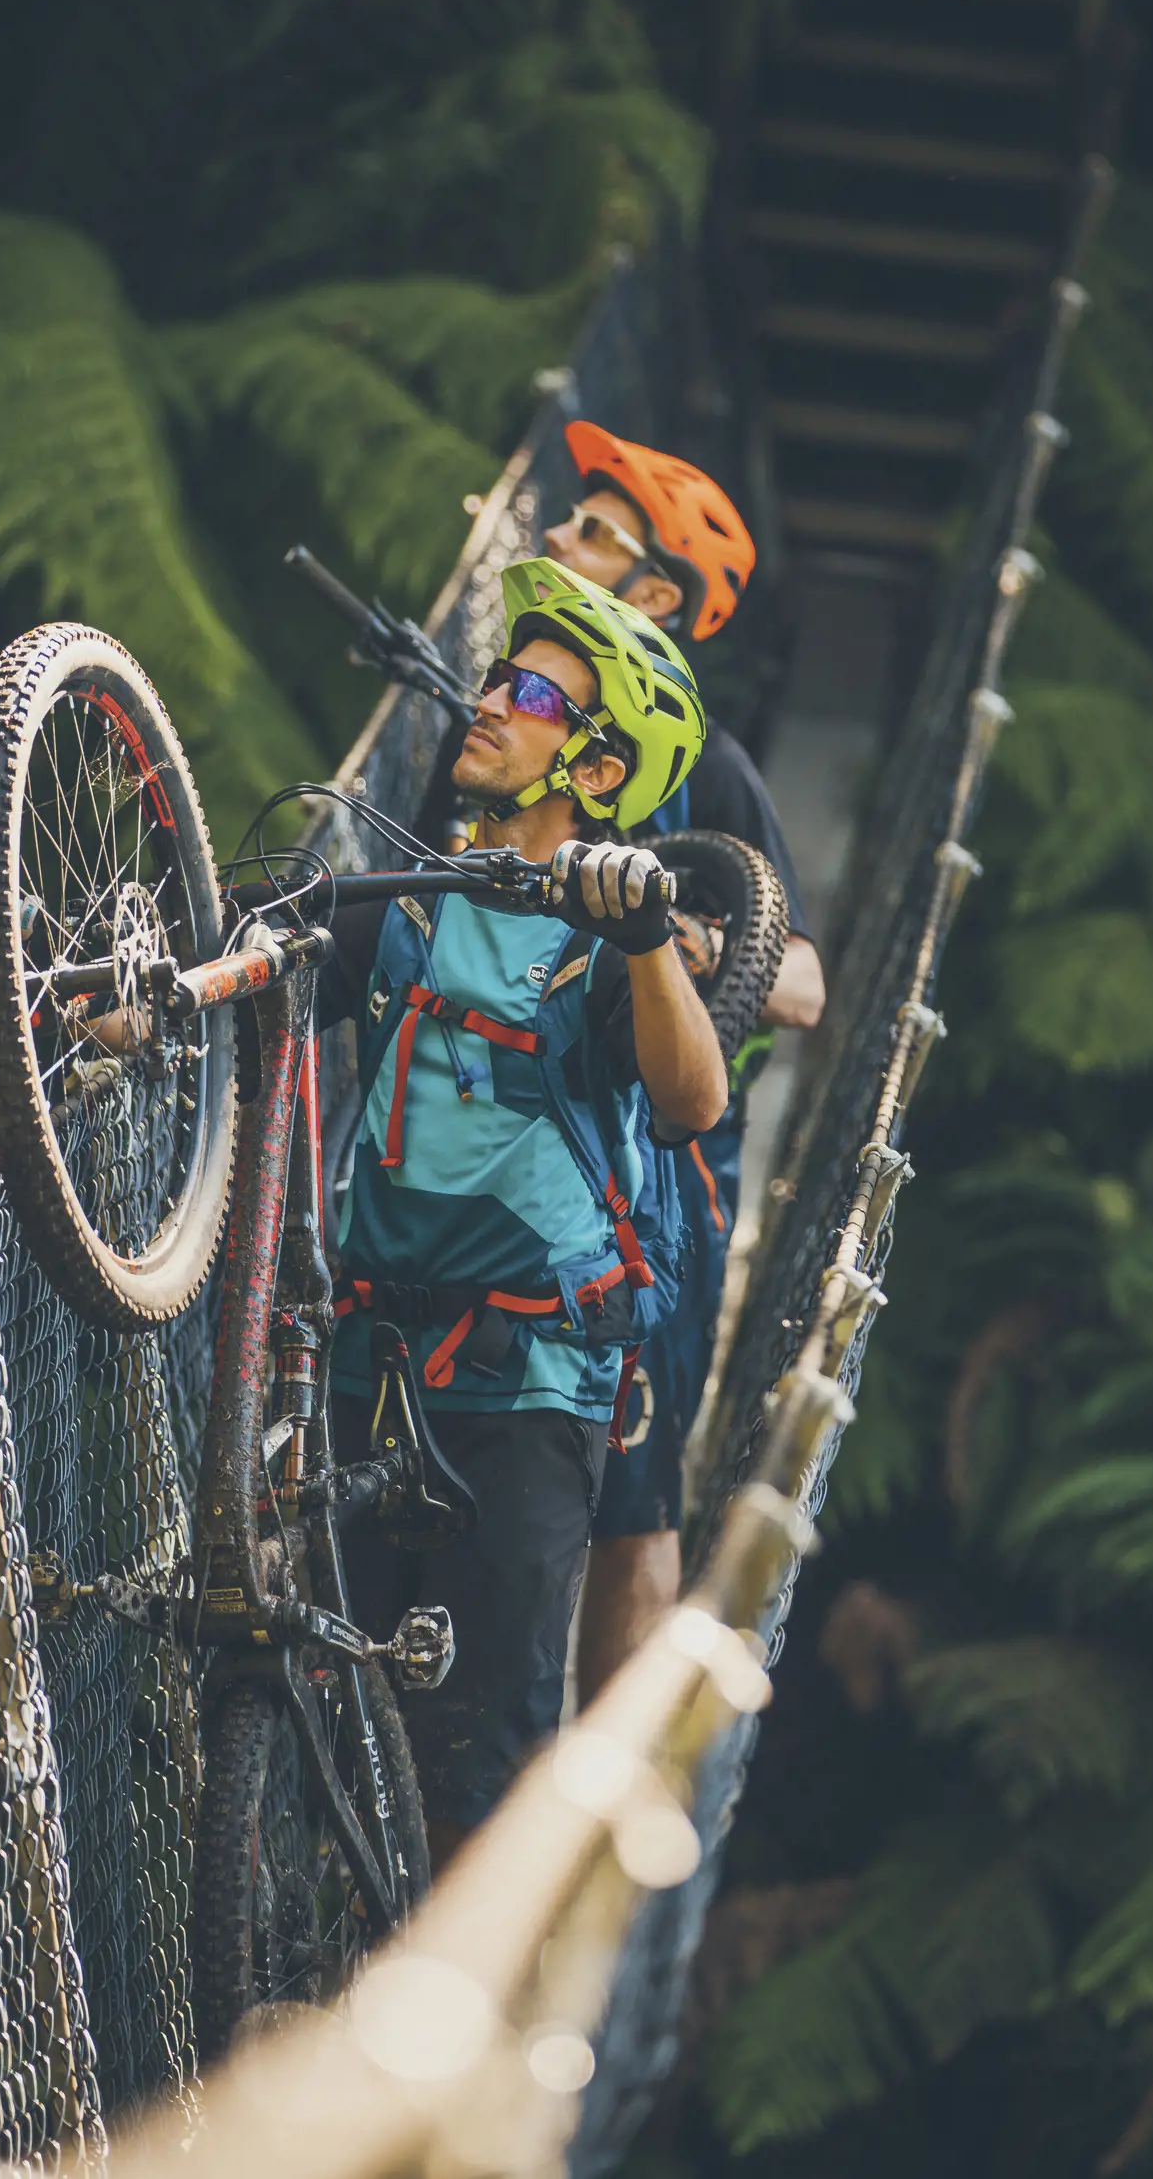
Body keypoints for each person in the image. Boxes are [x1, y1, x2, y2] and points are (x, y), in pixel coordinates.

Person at [326, 555, 726, 1852]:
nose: (484, 703)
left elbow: (690, 1104)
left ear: (596, 771)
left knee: (476, 1763)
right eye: (493, 678)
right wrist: (121, 998)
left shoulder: (602, 944)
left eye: (532, 693)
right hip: (362, 1364)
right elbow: (250, 954)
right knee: (334, 1722)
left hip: (525, 1394)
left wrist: (647, 935)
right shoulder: (407, 894)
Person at [539, 421, 827, 1697]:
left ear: (655, 595)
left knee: (634, 1493)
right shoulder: (516, 717)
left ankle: (599, 1832)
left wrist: (691, 943)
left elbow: (809, 984)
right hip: (514, 1136)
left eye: (593, 532)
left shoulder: (703, 763)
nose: (555, 536)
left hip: (660, 1179)